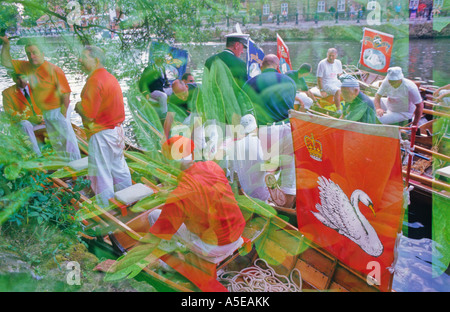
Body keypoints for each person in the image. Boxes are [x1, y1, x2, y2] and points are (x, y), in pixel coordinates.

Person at [147, 135, 246, 264]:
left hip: (215, 246)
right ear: (192, 155)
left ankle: (165, 261)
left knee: (153, 216)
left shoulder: (179, 195)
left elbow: (161, 231)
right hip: (237, 231)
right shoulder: (213, 166)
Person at [1, 36, 81, 161]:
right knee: (57, 143)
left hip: (58, 110)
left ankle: (77, 167)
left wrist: (63, 114)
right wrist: (6, 44)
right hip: (46, 112)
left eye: (35, 53)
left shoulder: (54, 70)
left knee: (68, 142)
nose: (32, 56)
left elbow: (66, 94)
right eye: (29, 53)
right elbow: (5, 62)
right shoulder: (26, 67)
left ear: (42, 53)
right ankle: (66, 168)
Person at [75, 46, 132, 208]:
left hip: (102, 133)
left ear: (96, 60)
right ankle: (129, 202)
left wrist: (78, 106)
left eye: (83, 57)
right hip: (116, 130)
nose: (80, 60)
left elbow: (89, 114)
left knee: (101, 174)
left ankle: (106, 211)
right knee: (119, 169)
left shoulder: (95, 80)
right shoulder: (109, 77)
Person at [243, 54, 297, 208]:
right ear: (277, 66)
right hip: (288, 128)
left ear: (262, 66)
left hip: (266, 130)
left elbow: (247, 111)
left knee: (267, 168)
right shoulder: (290, 82)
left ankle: (267, 201)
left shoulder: (250, 83)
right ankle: (286, 207)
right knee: (290, 170)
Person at [227, 114, 270, 202]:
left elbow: (232, 174)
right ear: (256, 128)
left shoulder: (235, 146)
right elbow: (265, 167)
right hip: (260, 194)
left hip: (244, 195)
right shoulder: (258, 142)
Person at [2, 71, 43, 156]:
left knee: (57, 118)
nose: (22, 81)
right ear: (13, 79)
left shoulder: (37, 88)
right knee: (25, 124)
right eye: (18, 78)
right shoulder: (7, 93)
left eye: (23, 77)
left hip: (41, 120)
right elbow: (10, 114)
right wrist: (29, 118)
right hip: (22, 123)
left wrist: (44, 116)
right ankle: (37, 155)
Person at [138, 53, 170, 119]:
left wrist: (168, 85)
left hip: (161, 89)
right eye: (160, 59)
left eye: (163, 59)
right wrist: (145, 93)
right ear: (156, 60)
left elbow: (165, 80)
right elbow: (143, 82)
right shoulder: (149, 69)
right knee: (163, 96)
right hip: (152, 90)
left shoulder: (162, 68)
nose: (162, 61)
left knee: (173, 90)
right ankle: (164, 114)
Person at [317, 48, 343, 114]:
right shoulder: (322, 63)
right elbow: (319, 78)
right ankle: (338, 110)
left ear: (336, 56)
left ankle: (348, 106)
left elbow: (340, 75)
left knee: (347, 87)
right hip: (326, 83)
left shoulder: (338, 62)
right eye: (329, 55)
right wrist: (321, 90)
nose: (331, 57)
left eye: (333, 56)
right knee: (337, 90)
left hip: (335, 81)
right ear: (327, 55)